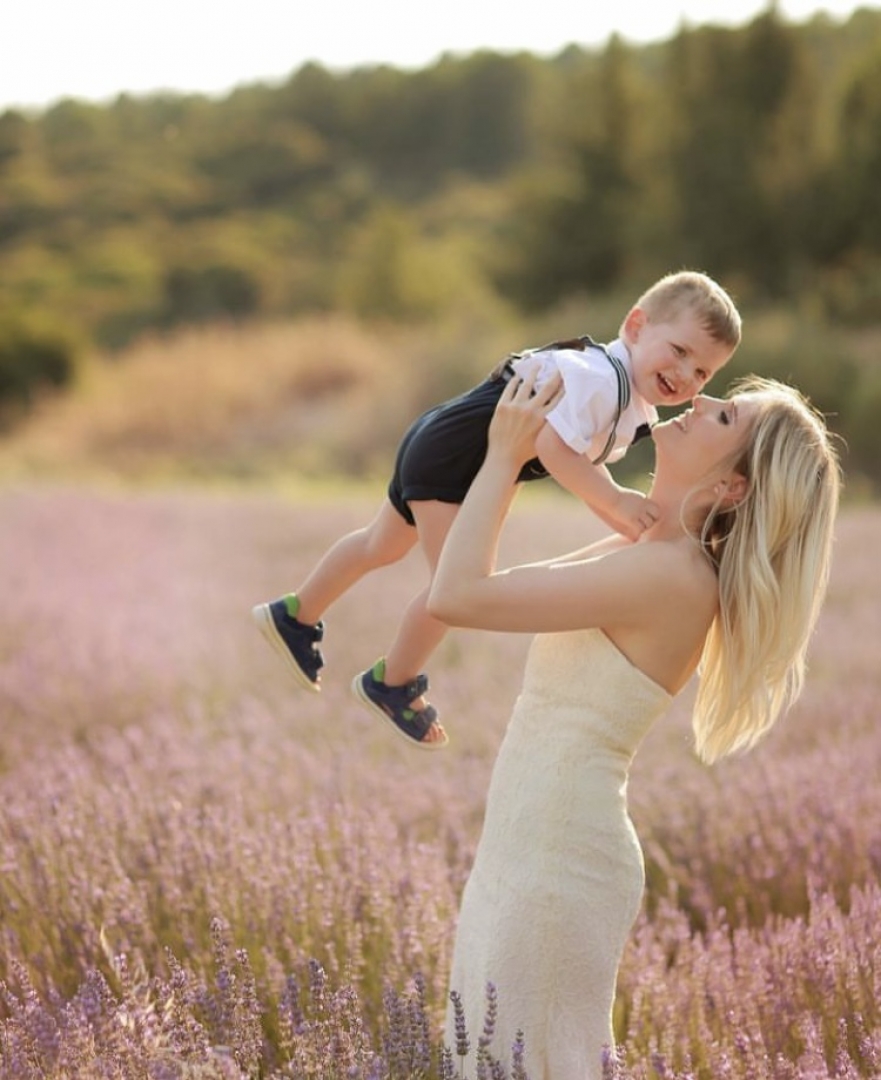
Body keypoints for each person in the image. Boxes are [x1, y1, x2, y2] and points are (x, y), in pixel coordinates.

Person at [427, 368, 841, 1080]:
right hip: (528, 839)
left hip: (558, 852)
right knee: (490, 1058)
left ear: (731, 488)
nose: (698, 401)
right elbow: (467, 583)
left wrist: (503, 454)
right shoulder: (645, 553)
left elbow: (457, 596)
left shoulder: (673, 576)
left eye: (720, 419)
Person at [252, 270, 741, 749]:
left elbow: (573, 461)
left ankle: (294, 613)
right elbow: (554, 448)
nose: (684, 375)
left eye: (702, 371)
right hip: (457, 459)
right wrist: (614, 500)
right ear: (636, 328)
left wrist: (623, 520)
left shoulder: (622, 394)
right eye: (679, 351)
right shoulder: (600, 382)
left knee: (380, 543)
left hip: (444, 442)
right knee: (454, 588)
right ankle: (393, 681)